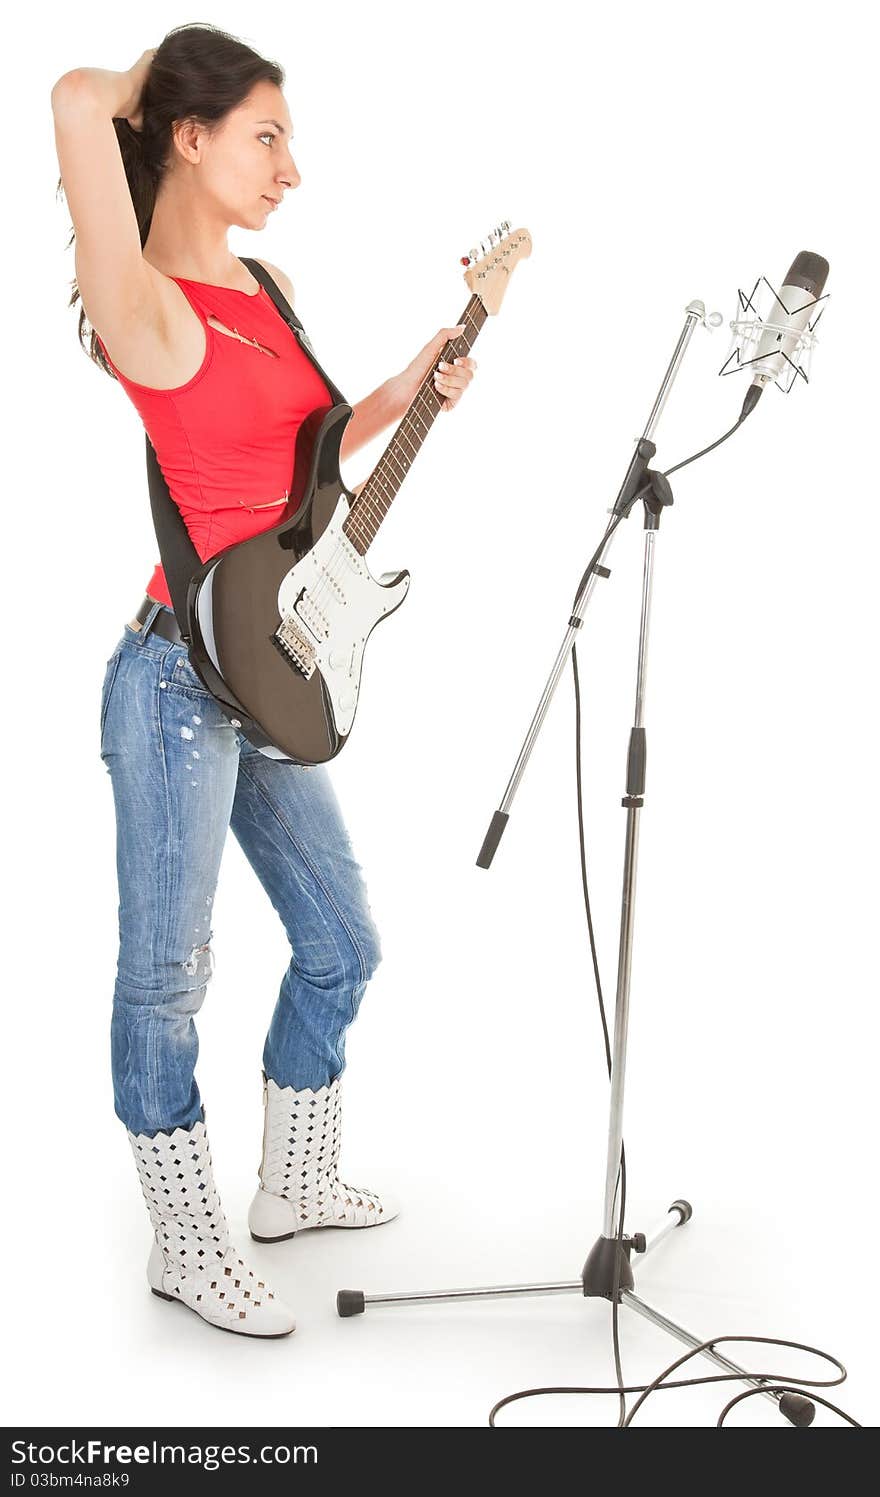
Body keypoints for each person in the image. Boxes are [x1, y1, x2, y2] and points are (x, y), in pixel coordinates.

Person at [51, 22, 477, 1340]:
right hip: (175, 683)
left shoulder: (268, 287)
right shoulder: (144, 303)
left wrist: (420, 380)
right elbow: (73, 98)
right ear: (190, 134)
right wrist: (155, 81)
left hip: (276, 666)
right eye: (267, 134)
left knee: (343, 944)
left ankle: (291, 1183)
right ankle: (189, 1239)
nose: (291, 165)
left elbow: (311, 456)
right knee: (165, 978)